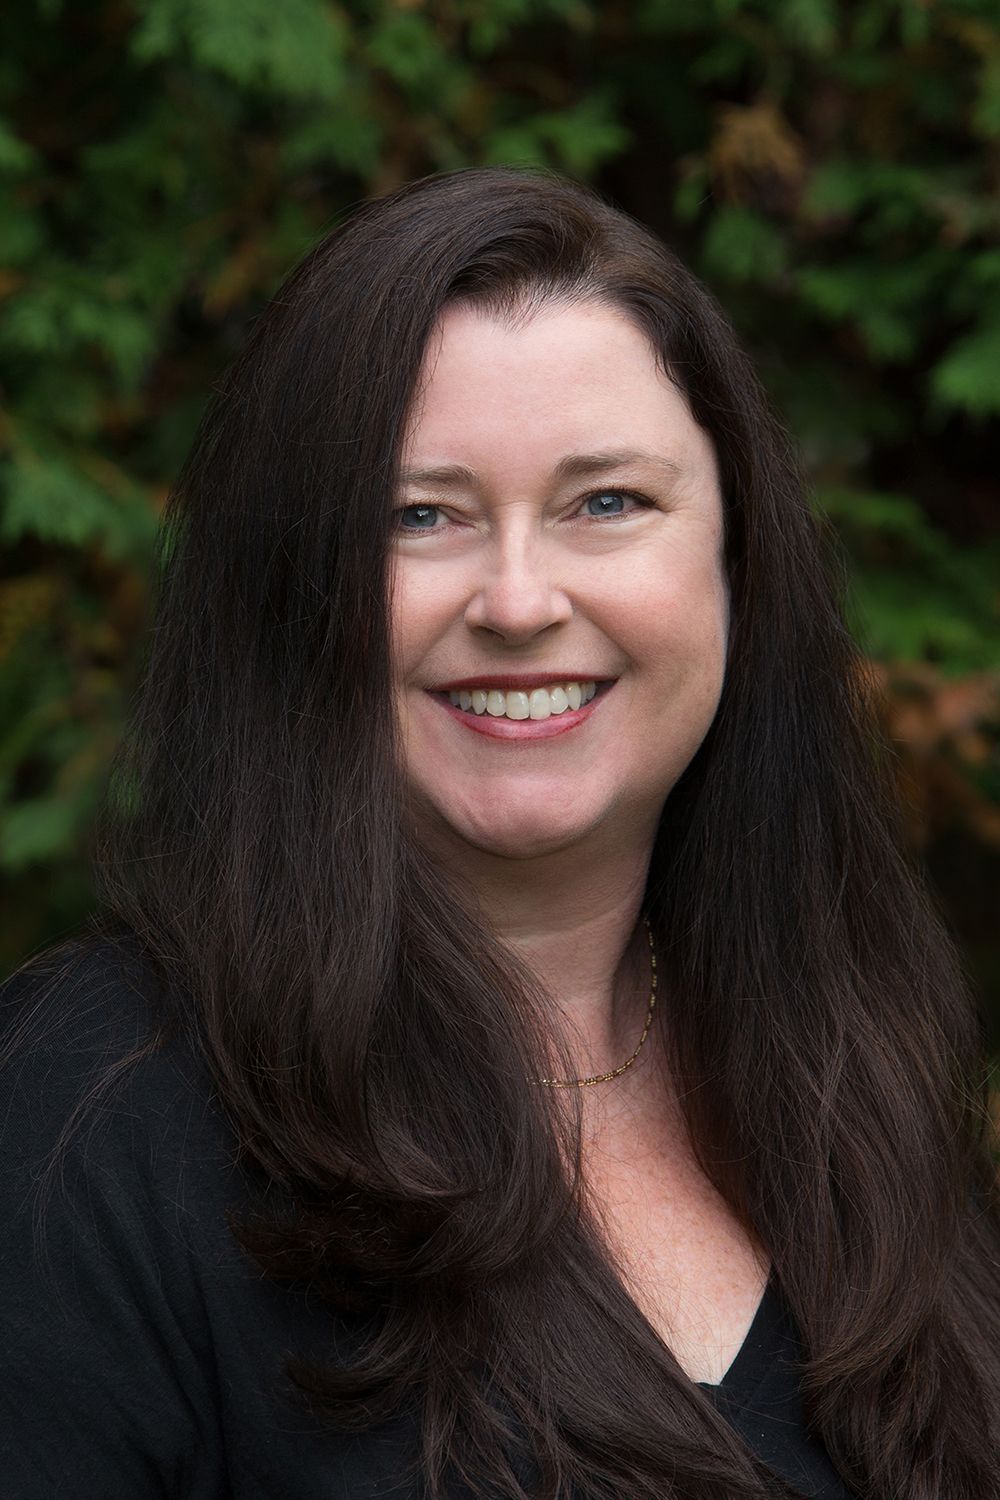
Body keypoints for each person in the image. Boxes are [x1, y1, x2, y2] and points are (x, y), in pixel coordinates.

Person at [1, 165, 998, 1500]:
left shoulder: (852, 1068)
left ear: (737, 565)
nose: (519, 600)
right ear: (295, 588)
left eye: (608, 503)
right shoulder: (88, 1111)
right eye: (420, 516)